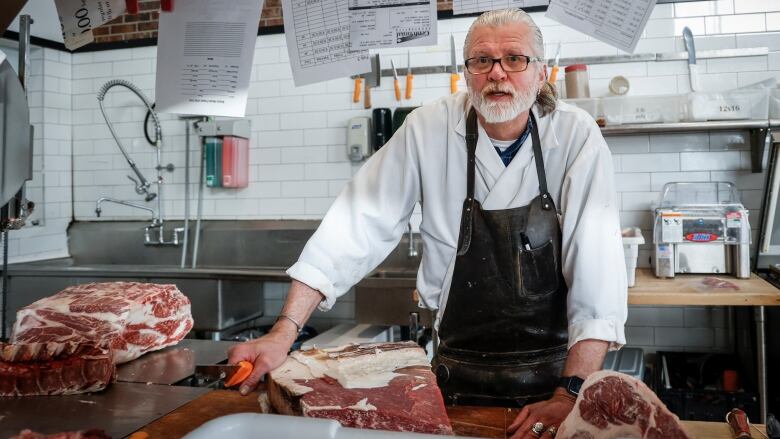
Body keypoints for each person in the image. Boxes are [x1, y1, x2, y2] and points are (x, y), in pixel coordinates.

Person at [229, 8, 627, 439]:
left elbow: (596, 269)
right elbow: (355, 224)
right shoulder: (428, 127)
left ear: (540, 72)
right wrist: (284, 331)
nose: (497, 74)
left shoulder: (574, 135)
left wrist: (569, 394)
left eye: (514, 59)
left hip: (555, 378)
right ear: (466, 71)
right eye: (481, 61)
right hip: (455, 376)